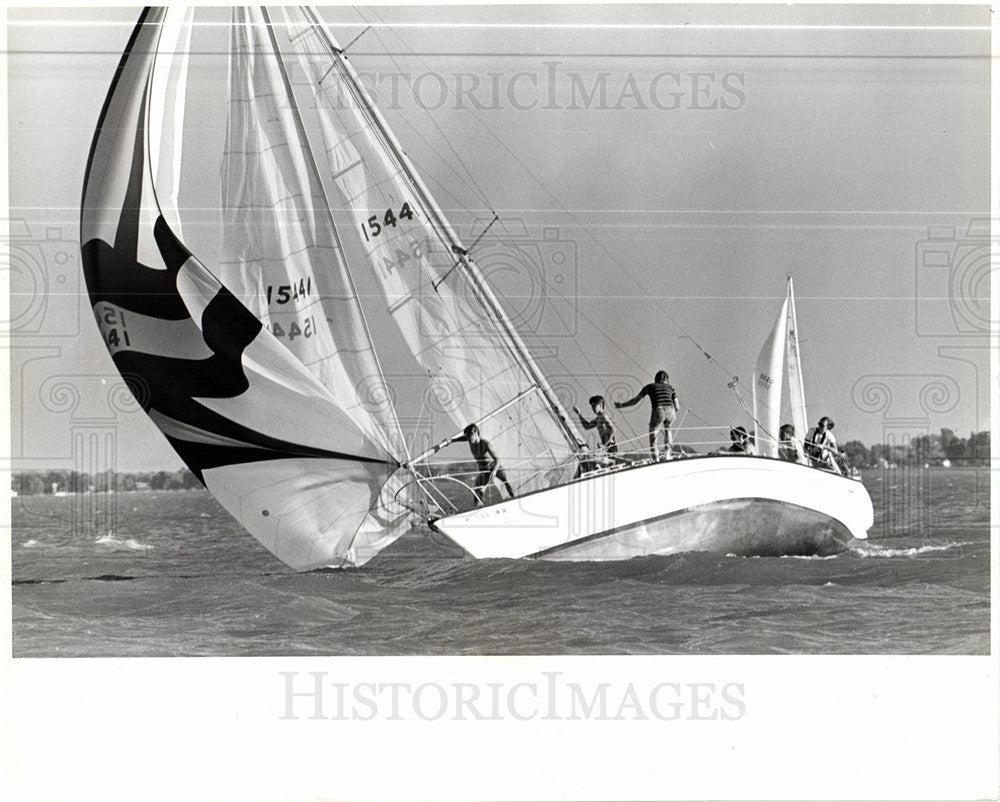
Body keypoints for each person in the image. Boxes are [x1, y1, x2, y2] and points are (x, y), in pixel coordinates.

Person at [615, 370, 679, 460]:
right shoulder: (671, 388)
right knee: (668, 430)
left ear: (656, 379)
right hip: (671, 410)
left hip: (658, 409)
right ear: (666, 379)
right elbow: (677, 406)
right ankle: (667, 454)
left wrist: (621, 405)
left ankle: (655, 457)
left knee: (653, 433)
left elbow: (635, 400)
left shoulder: (649, 387)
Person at [451, 423, 516, 503]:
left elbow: (497, 459)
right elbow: (463, 438)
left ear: (475, 434)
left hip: (495, 467)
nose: (468, 439)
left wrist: (494, 471)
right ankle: (478, 509)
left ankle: (515, 499)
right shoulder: (471, 440)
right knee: (478, 492)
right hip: (484, 470)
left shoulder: (485, 444)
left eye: (469, 436)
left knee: (506, 481)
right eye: (467, 437)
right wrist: (451, 440)